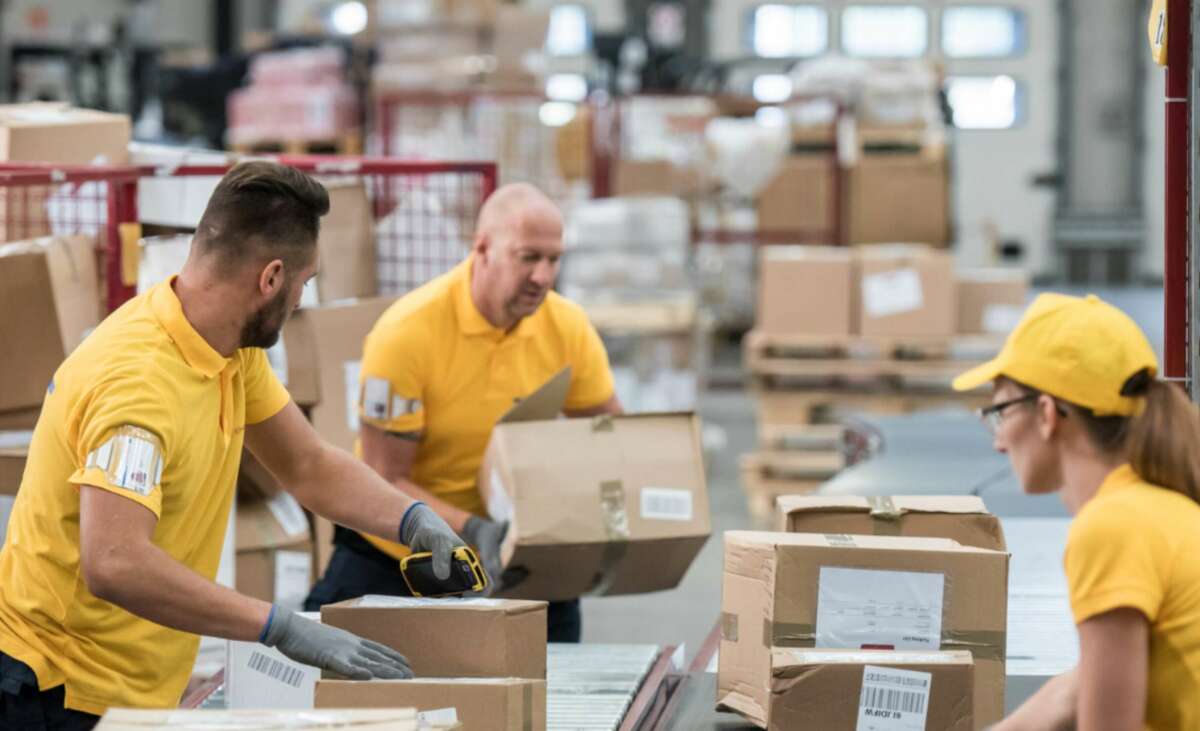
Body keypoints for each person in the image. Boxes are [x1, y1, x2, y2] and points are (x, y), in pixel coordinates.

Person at [0, 162, 466, 729]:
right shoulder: (138, 385)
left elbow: (308, 464)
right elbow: (115, 562)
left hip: (126, 686)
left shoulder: (226, 346)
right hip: (55, 690)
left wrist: (413, 520)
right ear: (271, 278)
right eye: (305, 281)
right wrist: (279, 627)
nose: (300, 298)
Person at [304, 183, 622, 642]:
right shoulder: (408, 334)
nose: (543, 276)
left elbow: (610, 434)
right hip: (402, 555)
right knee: (329, 671)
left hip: (515, 554)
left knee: (558, 687)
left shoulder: (566, 327)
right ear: (483, 249)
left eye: (554, 259)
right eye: (528, 257)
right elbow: (382, 478)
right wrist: (472, 530)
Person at [954, 293, 1200, 730]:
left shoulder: (1111, 528)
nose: (999, 441)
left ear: (1047, 413)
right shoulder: (1162, 510)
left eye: (1000, 412)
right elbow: (1078, 688)